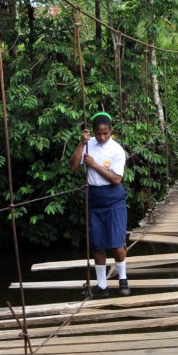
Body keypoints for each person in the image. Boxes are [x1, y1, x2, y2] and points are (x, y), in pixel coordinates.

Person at [70, 111, 129, 297]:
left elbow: (116, 179)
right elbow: (73, 166)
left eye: (106, 133)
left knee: (117, 242)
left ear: (111, 131)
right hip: (94, 197)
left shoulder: (117, 150)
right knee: (97, 244)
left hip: (113, 198)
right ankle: (102, 286)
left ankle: (123, 280)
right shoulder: (89, 145)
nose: (102, 137)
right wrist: (82, 143)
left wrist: (94, 165)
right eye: (98, 133)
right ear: (93, 132)